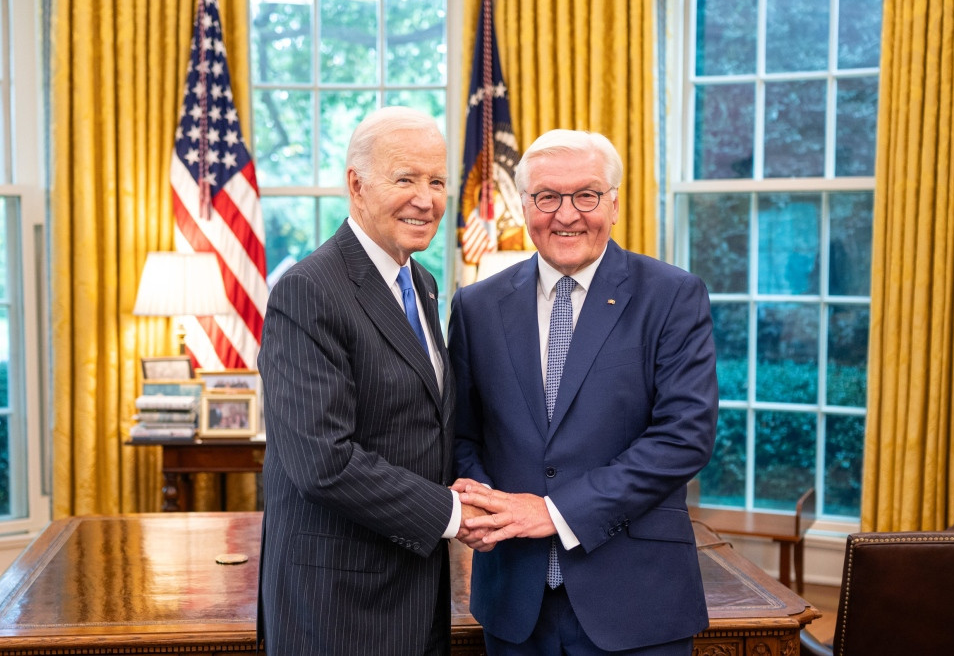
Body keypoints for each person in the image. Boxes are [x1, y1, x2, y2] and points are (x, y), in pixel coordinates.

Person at [449, 129, 718, 655]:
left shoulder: (671, 295)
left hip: (637, 601)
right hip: (513, 602)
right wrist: (490, 508)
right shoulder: (475, 307)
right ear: (524, 205)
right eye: (547, 197)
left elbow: (684, 438)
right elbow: (461, 435)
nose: (566, 214)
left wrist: (554, 512)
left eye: (586, 195)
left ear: (614, 203)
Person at [257, 106, 478, 656]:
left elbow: (423, 423)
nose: (425, 199)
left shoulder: (421, 283)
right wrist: (454, 514)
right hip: (339, 604)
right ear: (356, 185)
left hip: (415, 587)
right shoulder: (309, 291)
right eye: (405, 179)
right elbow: (323, 463)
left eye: (436, 181)